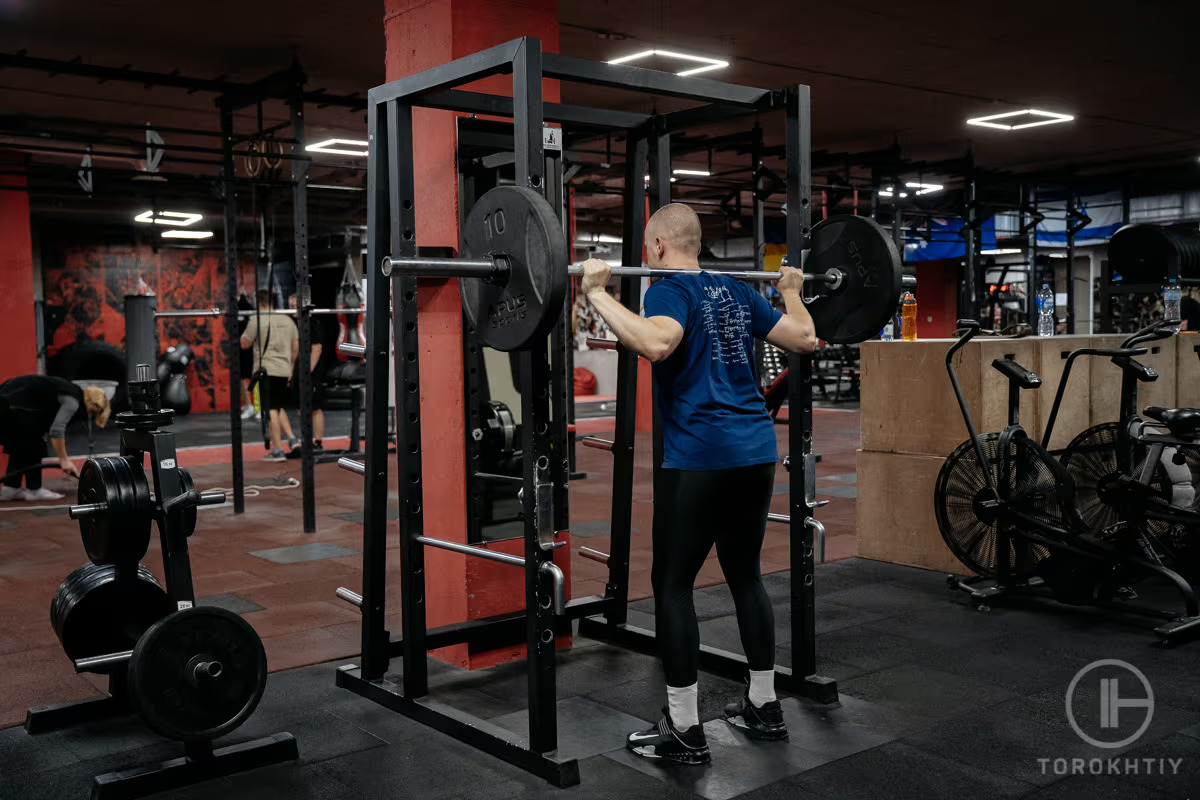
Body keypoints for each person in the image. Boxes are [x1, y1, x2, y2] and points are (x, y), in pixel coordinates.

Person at [581, 203, 816, 766]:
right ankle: (764, 706)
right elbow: (806, 339)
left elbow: (657, 344)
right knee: (745, 576)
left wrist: (595, 293)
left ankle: (684, 729)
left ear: (659, 246)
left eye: (645, 245)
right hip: (756, 452)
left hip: (701, 457)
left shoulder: (667, 289)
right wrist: (790, 289)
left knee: (674, 585)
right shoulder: (737, 292)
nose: (644, 255)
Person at [0, 376, 111, 500]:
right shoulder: (73, 401)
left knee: (22, 444)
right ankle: (35, 489)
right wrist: (64, 460)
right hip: (15, 407)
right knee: (34, 442)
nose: (90, 416)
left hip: (8, 402)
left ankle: (10, 488)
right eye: (92, 412)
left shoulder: (67, 390)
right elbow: (57, 429)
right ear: (92, 402)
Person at [240, 289, 298, 462]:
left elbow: (244, 344)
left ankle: (278, 449)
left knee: (271, 410)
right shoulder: (288, 320)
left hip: (266, 370)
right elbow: (295, 348)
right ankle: (293, 439)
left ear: (260, 304)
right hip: (284, 369)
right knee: (278, 406)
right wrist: (290, 368)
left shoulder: (256, 319)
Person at [283, 294, 327, 454]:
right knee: (302, 408)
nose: (293, 307)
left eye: (296, 305)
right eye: (291, 304)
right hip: (297, 369)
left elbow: (317, 348)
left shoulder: (312, 322)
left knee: (315, 408)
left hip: (311, 372)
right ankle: (306, 440)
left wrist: (307, 372)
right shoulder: (292, 322)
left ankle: (318, 443)